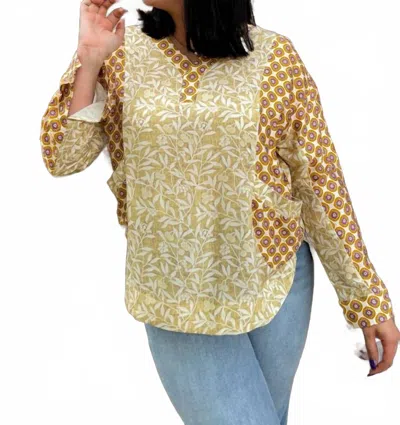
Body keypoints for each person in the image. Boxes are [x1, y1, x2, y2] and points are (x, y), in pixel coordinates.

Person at [39, 1, 400, 424]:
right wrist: (89, 59)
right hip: (174, 288)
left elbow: (319, 182)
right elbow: (63, 158)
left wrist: (367, 300)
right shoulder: (117, 53)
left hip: (273, 279)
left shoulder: (275, 57)